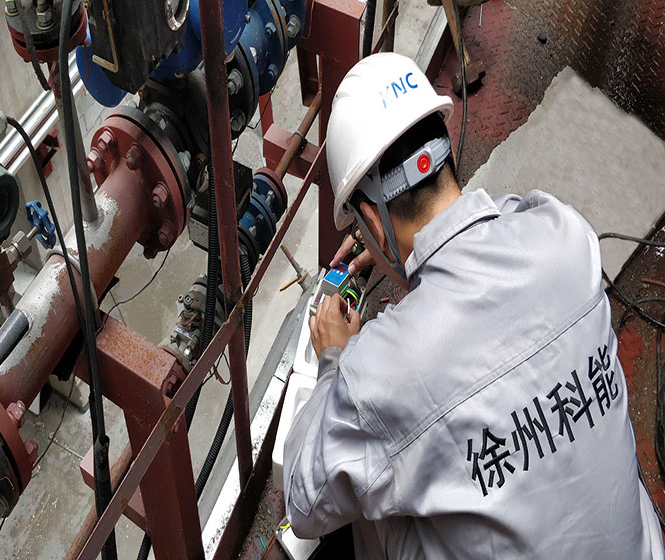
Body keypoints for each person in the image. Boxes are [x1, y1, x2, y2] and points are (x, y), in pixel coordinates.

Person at [282, 52, 665, 559]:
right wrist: (407, 244)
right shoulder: (564, 234)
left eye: (362, 226)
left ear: (371, 223)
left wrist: (334, 360)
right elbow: (495, 217)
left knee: (375, 488)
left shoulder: (380, 375)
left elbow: (304, 504)